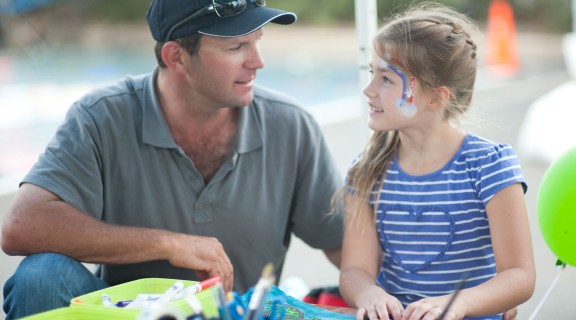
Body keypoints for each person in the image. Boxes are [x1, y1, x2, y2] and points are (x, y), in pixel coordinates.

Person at [1, 0, 344, 318]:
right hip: (130, 312)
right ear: (176, 57)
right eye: (236, 46)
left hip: (234, 314)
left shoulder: (291, 125)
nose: (258, 61)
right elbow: (21, 226)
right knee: (41, 278)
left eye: (257, 41)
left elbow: (346, 245)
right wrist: (168, 243)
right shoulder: (100, 117)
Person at [338, 3, 535, 320]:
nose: (368, 90)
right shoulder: (366, 170)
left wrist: (457, 304)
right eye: (371, 73)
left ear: (437, 97)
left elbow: (519, 276)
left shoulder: (488, 165)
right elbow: (354, 270)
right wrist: (369, 293)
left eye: (387, 79)